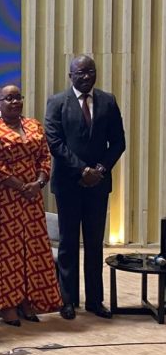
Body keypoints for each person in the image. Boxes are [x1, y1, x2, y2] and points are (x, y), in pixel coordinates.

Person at [45, 55, 126, 320]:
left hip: (98, 185)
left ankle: (95, 300)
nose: (86, 76)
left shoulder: (108, 101)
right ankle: (67, 300)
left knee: (94, 243)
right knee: (68, 243)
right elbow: (55, 143)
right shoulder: (57, 102)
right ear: (71, 76)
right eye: (80, 72)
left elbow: (118, 142)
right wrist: (82, 170)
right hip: (68, 183)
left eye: (90, 71)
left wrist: (99, 170)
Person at [0, 84, 62, 326]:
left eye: (18, 97)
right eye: (8, 98)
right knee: (7, 253)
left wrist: (38, 182)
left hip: (32, 198)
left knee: (33, 250)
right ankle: (7, 305)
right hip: (4, 198)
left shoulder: (34, 125)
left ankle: (28, 300)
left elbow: (44, 156)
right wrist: (20, 185)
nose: (15, 102)